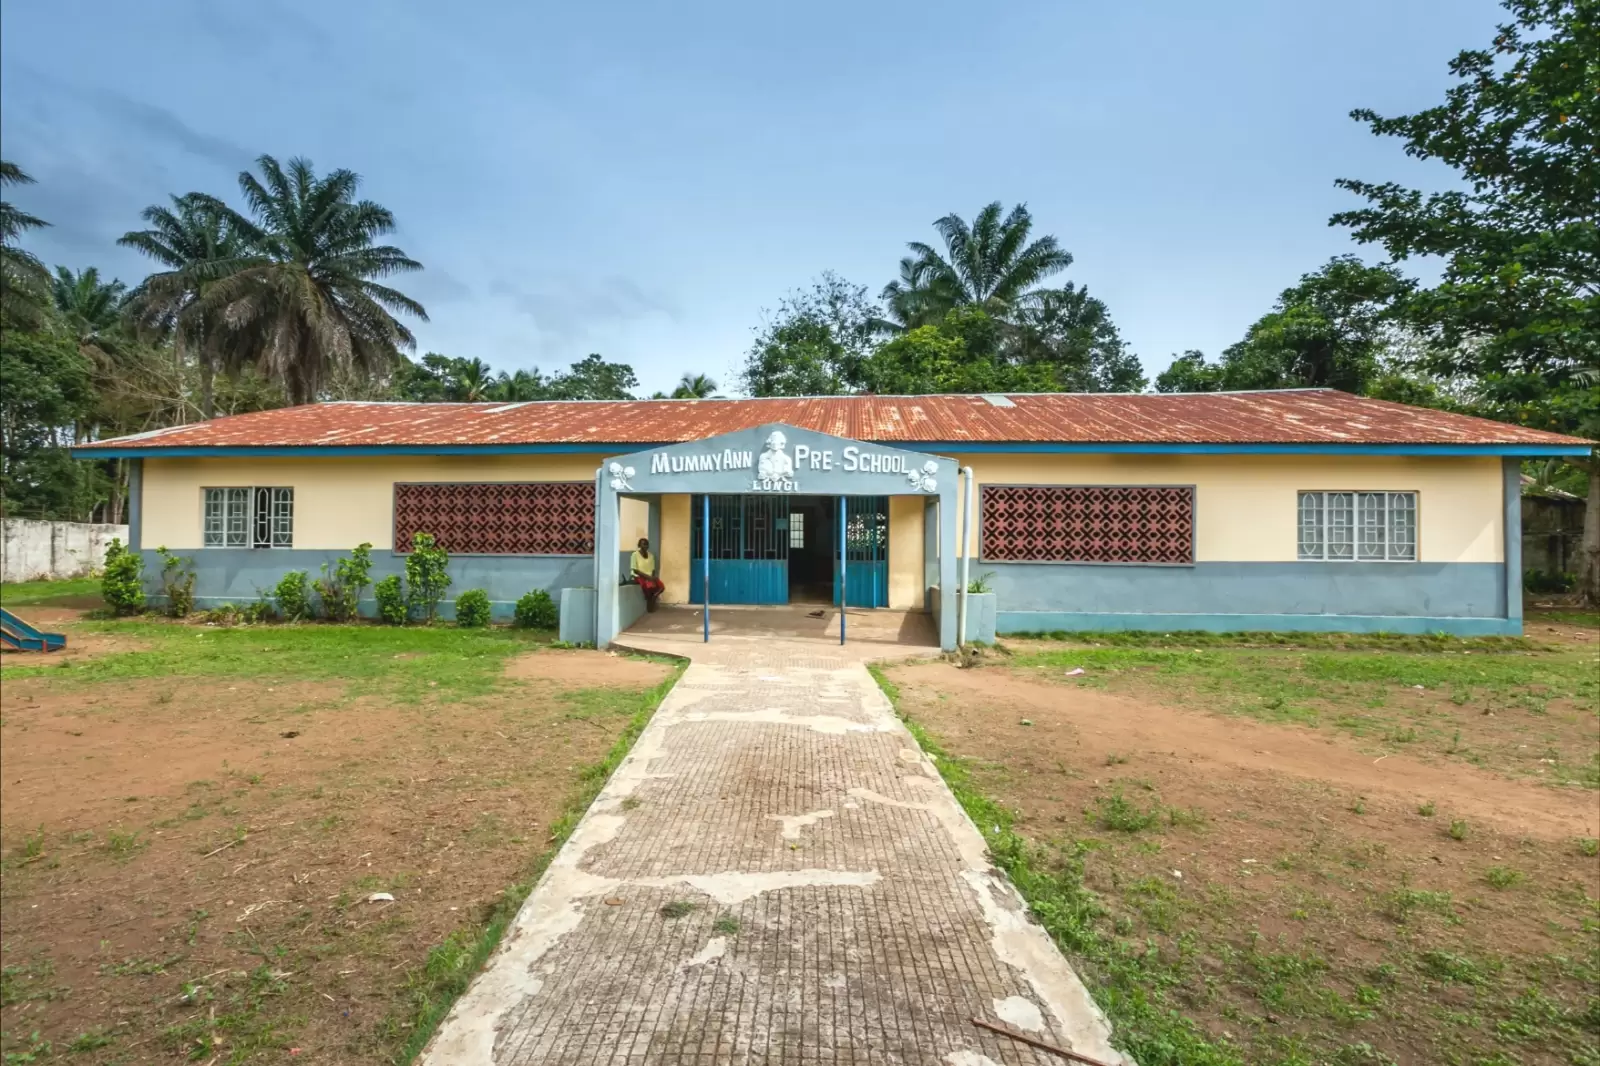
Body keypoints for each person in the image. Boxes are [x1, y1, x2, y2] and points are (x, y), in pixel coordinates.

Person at [630, 537, 664, 612]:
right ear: (639, 545)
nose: (645, 546)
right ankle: (650, 605)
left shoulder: (651, 556)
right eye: (643, 544)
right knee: (647, 588)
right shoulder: (634, 555)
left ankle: (654, 597)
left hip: (649, 577)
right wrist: (648, 577)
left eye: (646, 544)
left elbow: (653, 569)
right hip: (639, 576)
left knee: (661, 587)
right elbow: (635, 570)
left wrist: (651, 577)